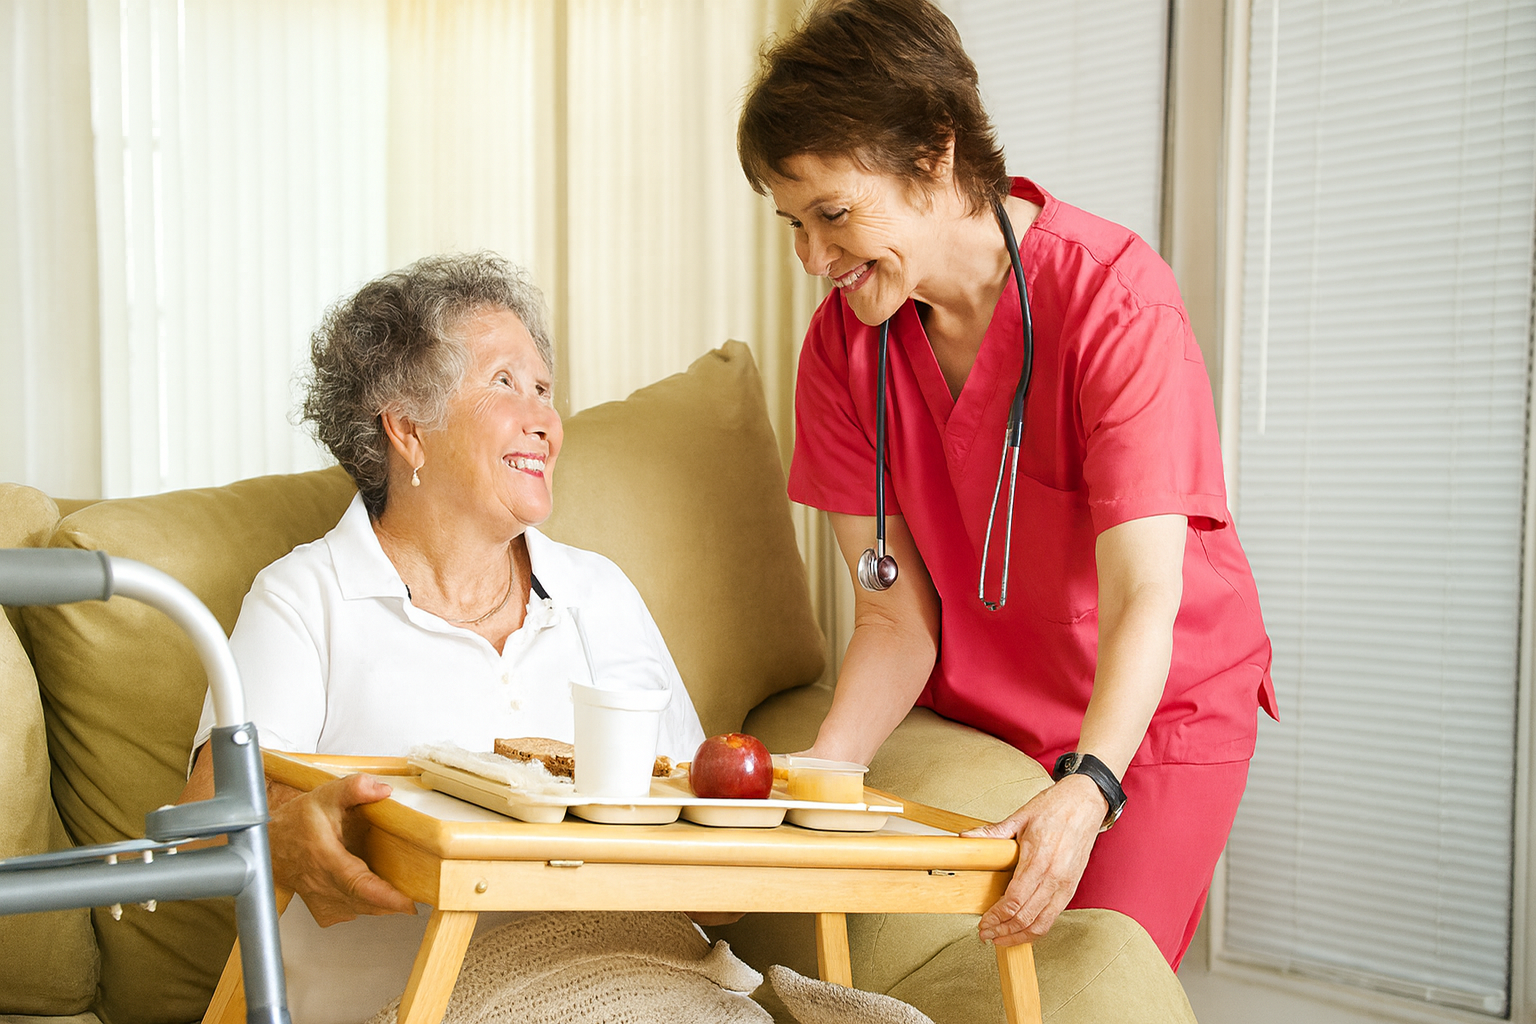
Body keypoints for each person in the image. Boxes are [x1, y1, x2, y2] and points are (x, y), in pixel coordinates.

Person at [737, 0, 1277, 969]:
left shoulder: (1115, 300)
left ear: (934, 156)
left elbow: (1145, 594)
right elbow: (894, 617)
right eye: (792, 223)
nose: (813, 261)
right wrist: (827, 768)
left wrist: (1092, 782)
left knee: (1087, 982)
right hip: (984, 708)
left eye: (833, 215)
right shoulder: (843, 347)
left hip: (1150, 715)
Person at [178, 253, 710, 1022]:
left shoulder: (600, 593)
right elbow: (207, 812)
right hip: (413, 1002)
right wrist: (290, 833)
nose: (544, 420)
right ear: (407, 429)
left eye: (544, 391)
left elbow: (703, 814)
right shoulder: (306, 598)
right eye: (504, 383)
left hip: (641, 981)